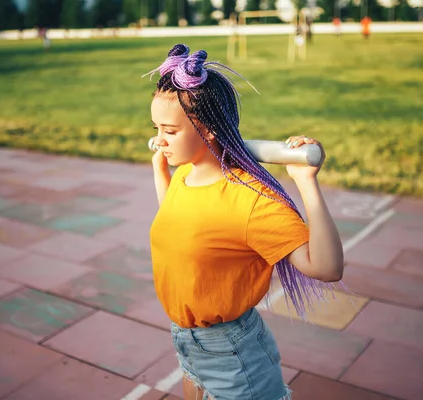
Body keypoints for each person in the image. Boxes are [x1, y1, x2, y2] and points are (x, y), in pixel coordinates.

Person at [147, 44, 344, 400]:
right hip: (187, 341)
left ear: (206, 130)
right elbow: (177, 227)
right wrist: (161, 171)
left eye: (170, 131)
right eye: (155, 128)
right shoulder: (184, 177)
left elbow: (327, 268)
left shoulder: (250, 201)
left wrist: (305, 182)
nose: (159, 139)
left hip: (232, 354)